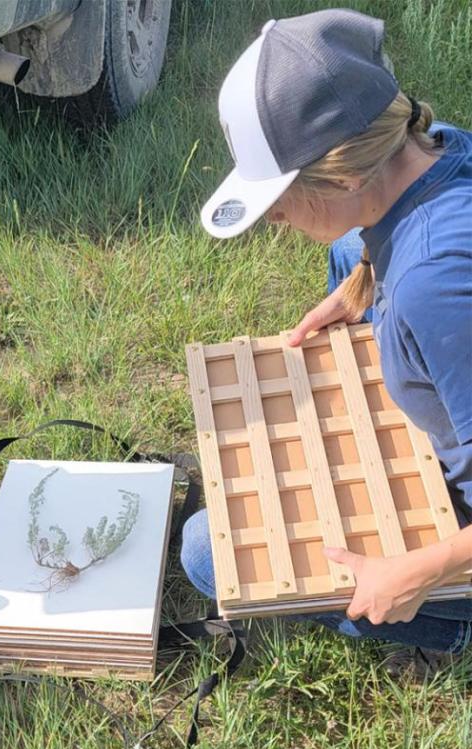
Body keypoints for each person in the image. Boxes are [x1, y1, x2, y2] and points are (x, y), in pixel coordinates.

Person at [185, 9, 472, 668]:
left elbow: (441, 289)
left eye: (280, 198)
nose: (275, 217)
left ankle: (453, 630)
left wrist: (412, 574)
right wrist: (365, 282)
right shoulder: (439, 145)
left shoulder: (435, 290)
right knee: (349, 249)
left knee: (208, 552)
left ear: (345, 175)